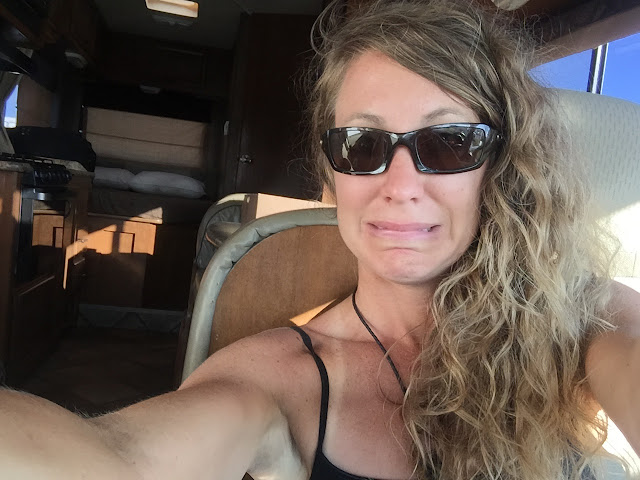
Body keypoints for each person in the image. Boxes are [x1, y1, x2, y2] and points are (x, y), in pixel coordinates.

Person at [2, 0, 639, 479]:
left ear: (500, 167)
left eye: (448, 142)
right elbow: (122, 459)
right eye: (362, 145)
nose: (399, 185)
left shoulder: (584, 316)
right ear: (332, 176)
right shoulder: (273, 381)